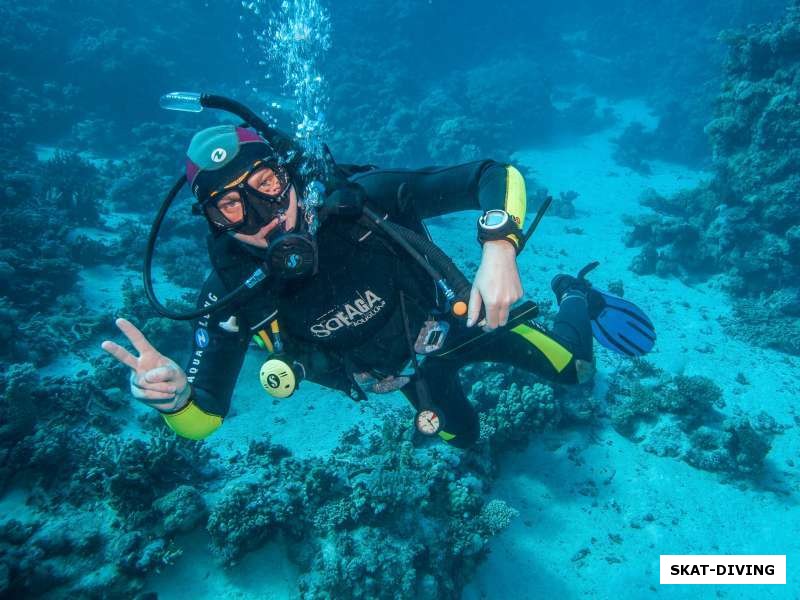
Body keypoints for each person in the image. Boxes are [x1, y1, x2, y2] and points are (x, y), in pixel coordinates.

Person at [102, 115, 655, 448]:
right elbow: (205, 420)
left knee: (576, 368)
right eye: (230, 206)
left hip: (458, 323)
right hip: (398, 373)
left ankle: (575, 293)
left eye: (266, 182)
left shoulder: (361, 202)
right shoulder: (231, 295)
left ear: (289, 173)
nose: (262, 213)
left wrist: (498, 248)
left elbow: (494, 176)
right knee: (464, 438)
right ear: (212, 224)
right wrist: (175, 403)